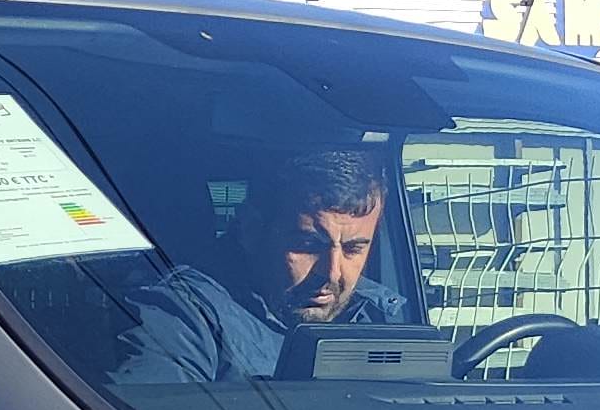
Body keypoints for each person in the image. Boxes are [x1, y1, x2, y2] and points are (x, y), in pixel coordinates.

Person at [117, 146, 413, 380]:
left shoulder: (380, 315)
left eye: (353, 249)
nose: (332, 272)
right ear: (251, 231)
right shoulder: (185, 318)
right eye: (308, 245)